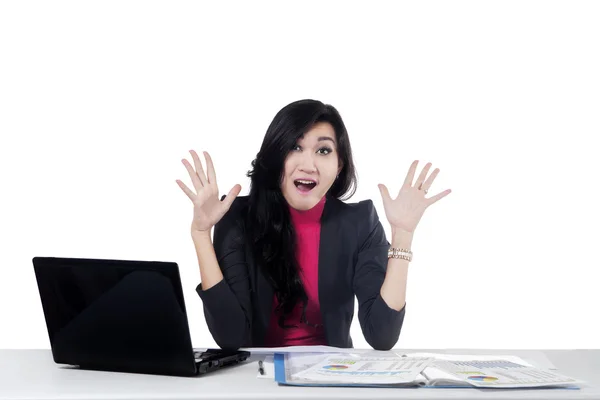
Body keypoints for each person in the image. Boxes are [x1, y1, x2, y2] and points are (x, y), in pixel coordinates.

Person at [176, 99, 451, 351]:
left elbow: (382, 335)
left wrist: (402, 235)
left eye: (323, 150)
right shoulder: (236, 216)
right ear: (276, 156)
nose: (308, 164)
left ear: (339, 164)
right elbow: (231, 337)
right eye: (295, 147)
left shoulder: (359, 222)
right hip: (258, 380)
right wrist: (201, 234)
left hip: (333, 378)